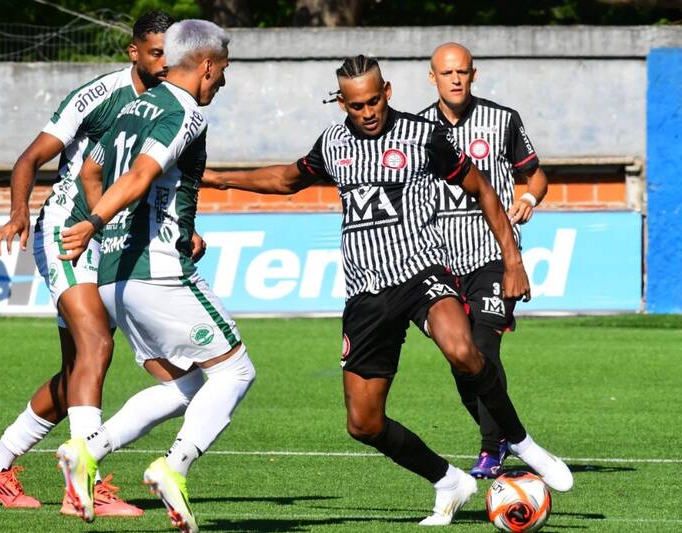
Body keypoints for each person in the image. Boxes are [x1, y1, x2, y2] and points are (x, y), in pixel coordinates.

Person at [203, 55, 572, 526]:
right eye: (356, 105)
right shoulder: (334, 142)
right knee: (363, 423)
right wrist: (216, 178)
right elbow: (286, 180)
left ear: (389, 91)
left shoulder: (424, 137)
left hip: (421, 274)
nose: (368, 112)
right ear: (343, 103)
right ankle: (448, 481)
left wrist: (513, 260)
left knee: (463, 350)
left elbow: (481, 188)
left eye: (374, 100)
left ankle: (519, 441)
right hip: (365, 293)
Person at [0, 11, 202, 517]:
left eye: (170, 53)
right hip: (66, 233)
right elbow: (29, 159)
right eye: (155, 52)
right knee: (97, 343)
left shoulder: (169, 105)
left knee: (78, 365)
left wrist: (184, 231)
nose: (164, 63)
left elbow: (145, 179)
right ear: (133, 51)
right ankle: (82, 485)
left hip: (108, 234)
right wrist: (17, 213)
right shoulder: (99, 96)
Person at [55, 20, 253, 531]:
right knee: (235, 371)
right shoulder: (182, 111)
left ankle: (88, 450)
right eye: (223, 71)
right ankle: (175, 466)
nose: (223, 83)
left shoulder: (128, 108)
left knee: (188, 384)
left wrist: (108, 227)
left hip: (114, 275)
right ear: (206, 64)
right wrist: (96, 221)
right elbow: (141, 176)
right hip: (158, 271)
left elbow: (91, 172)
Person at [417, 42, 550, 479]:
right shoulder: (414, 129)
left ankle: (491, 450)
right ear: (432, 77)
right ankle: (507, 437)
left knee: (484, 349)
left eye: (462, 72)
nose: (455, 79)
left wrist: (528, 196)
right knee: (460, 360)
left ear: (475, 74)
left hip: (492, 254)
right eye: (446, 73)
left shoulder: (502, 119)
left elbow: (535, 174)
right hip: (438, 259)